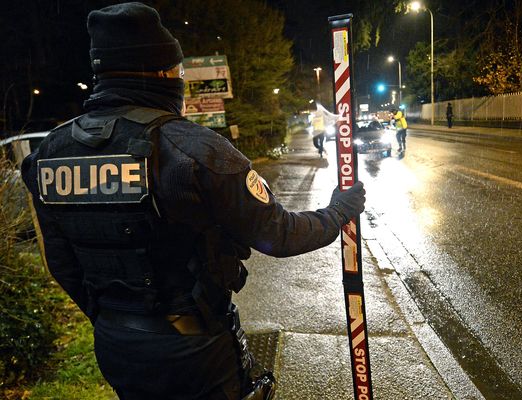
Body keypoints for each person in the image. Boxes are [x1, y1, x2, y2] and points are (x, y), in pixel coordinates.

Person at [20, 3, 366, 400]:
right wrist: (339, 210)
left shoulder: (48, 154)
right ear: (162, 73)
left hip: (115, 345)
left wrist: (116, 321)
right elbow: (281, 236)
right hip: (195, 351)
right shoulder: (197, 151)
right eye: (178, 72)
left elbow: (61, 264)